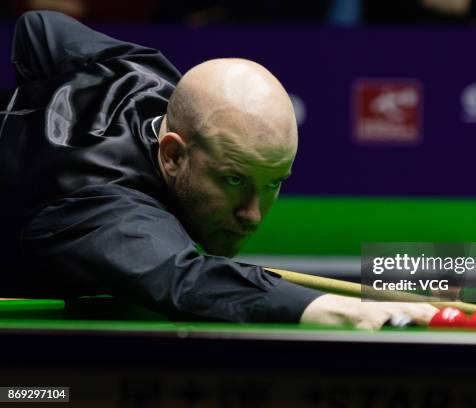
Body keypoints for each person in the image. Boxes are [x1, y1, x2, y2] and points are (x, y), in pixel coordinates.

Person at [0, 10, 437, 329]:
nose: (253, 214)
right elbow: (184, 280)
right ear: (171, 154)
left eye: (273, 184)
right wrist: (338, 309)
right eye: (233, 180)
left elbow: (39, 29)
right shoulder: (104, 208)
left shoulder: (140, 75)